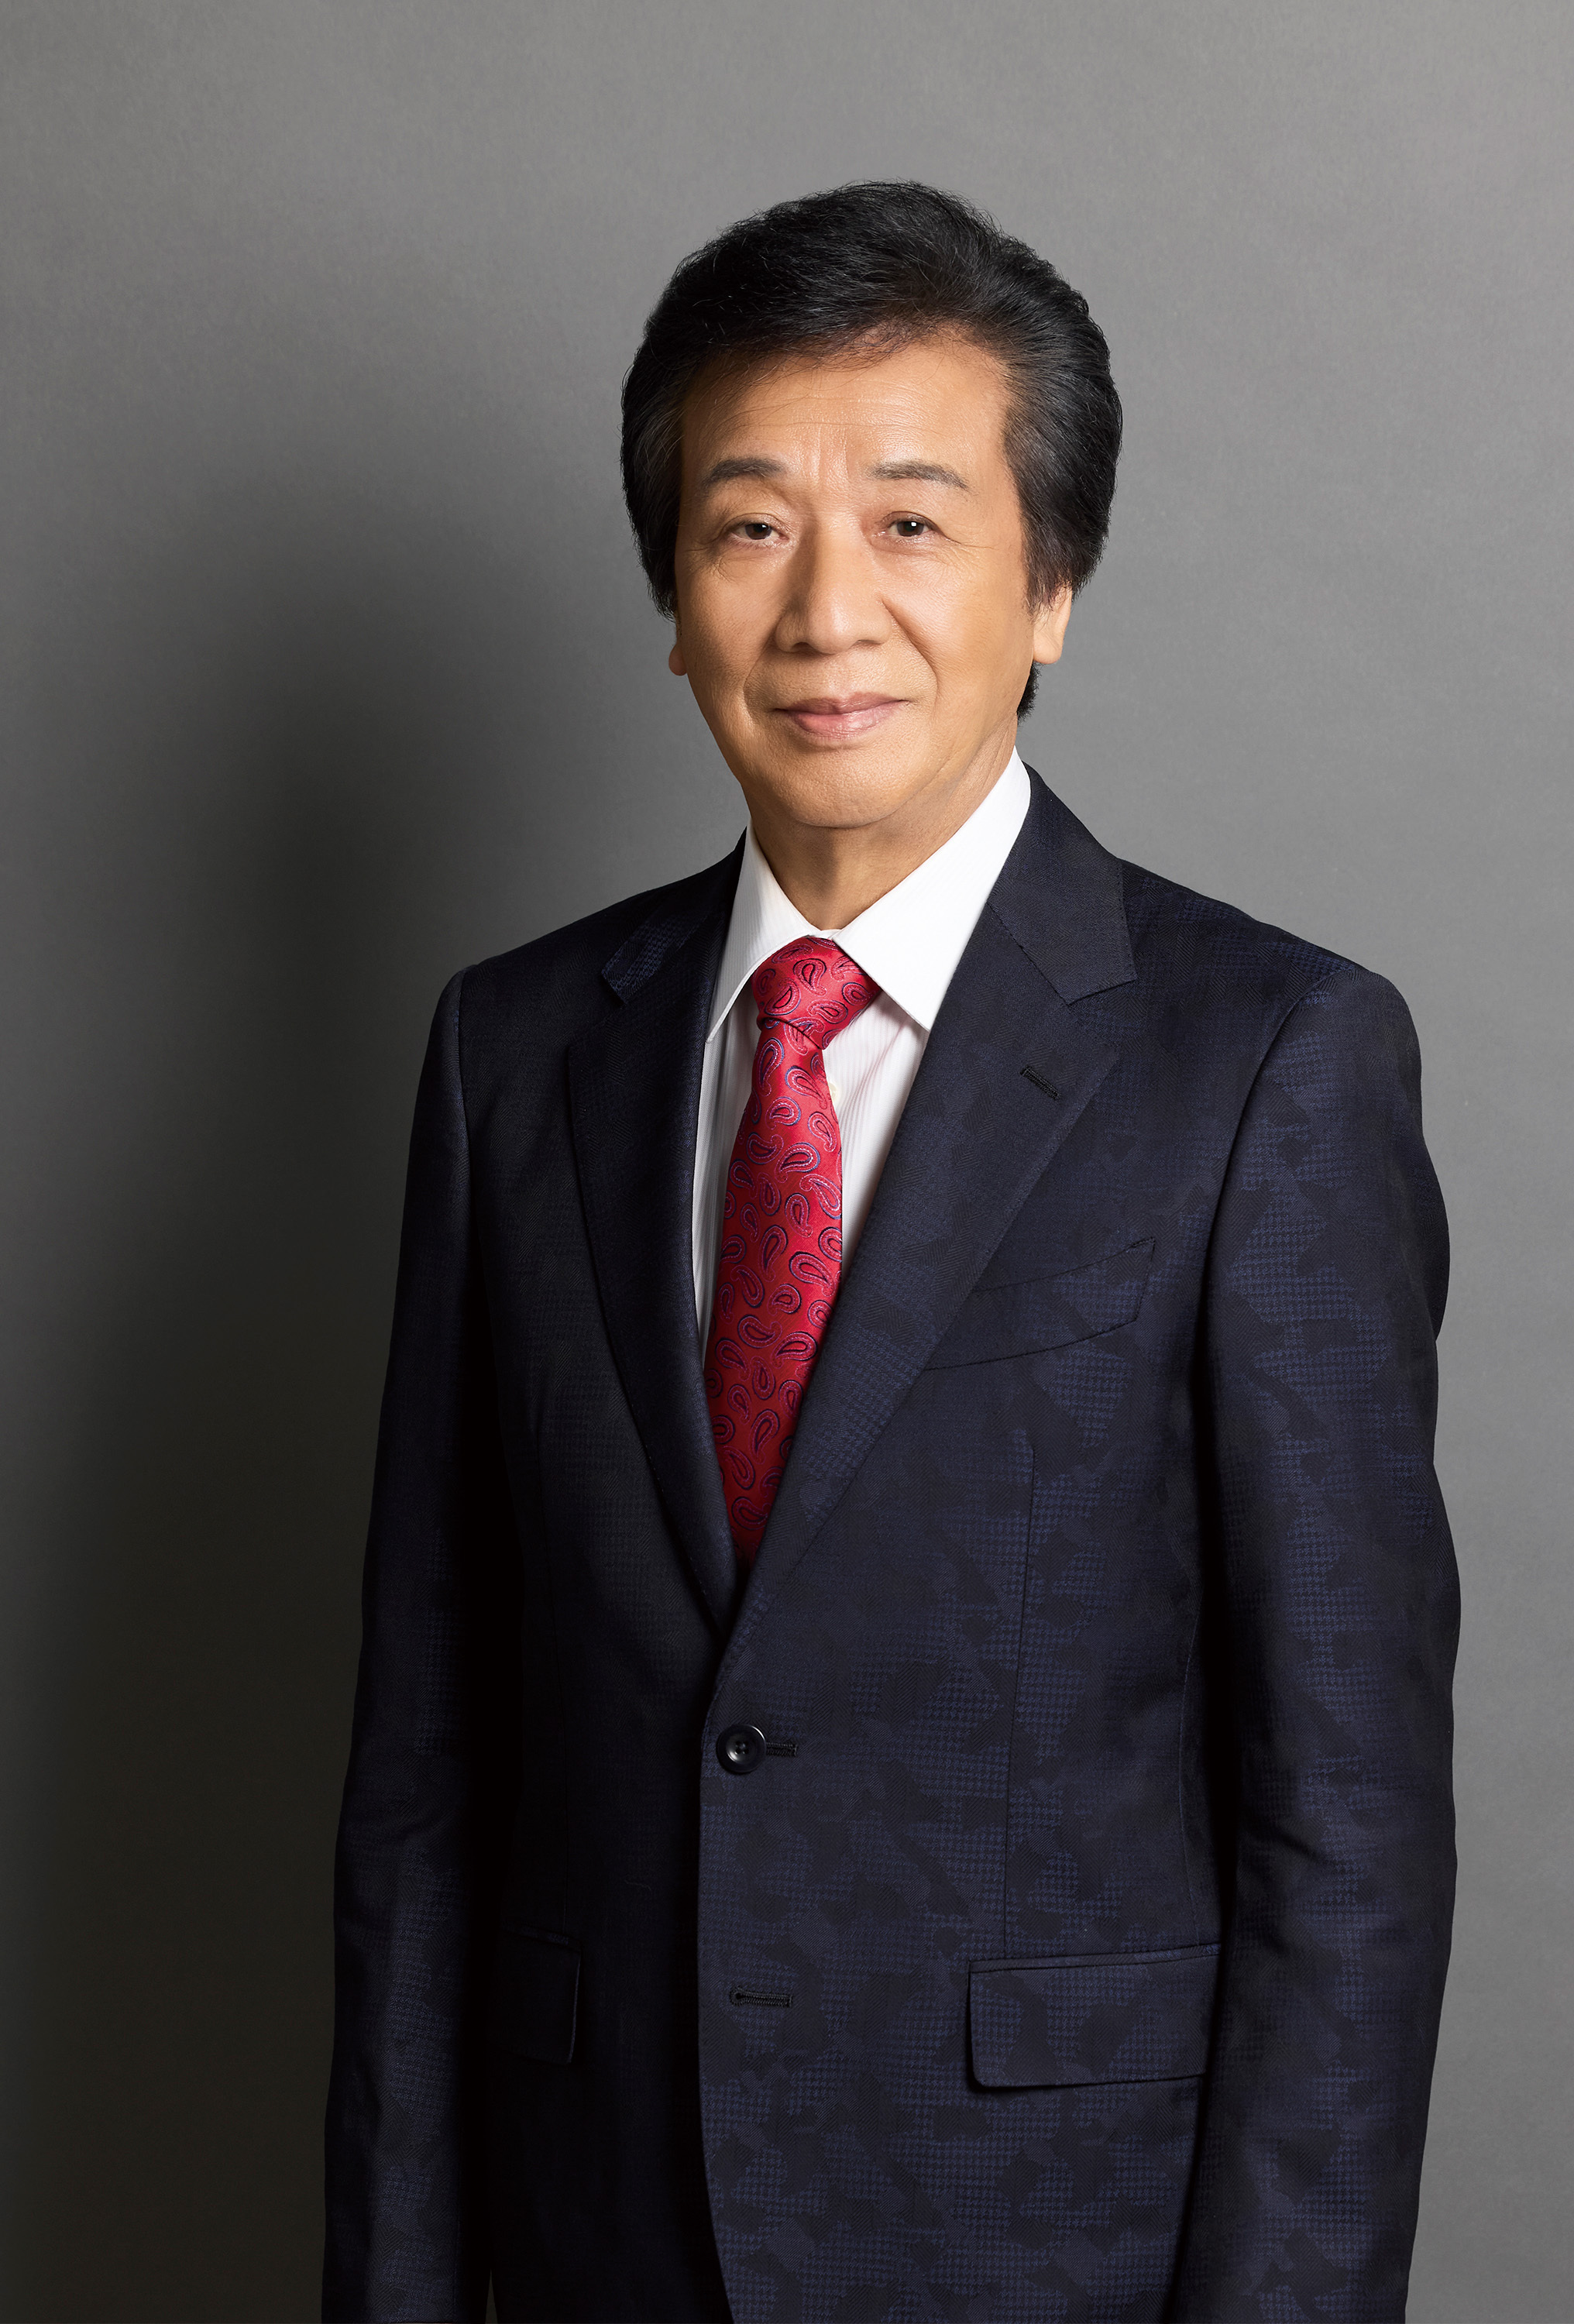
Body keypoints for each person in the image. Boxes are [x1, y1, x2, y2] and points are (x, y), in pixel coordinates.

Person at [322, 182, 1459, 2324]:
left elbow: (1348, 1826)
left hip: (1050, 2248)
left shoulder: (1266, 1060)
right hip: (589, 2238)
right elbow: (425, 1784)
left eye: (914, 523)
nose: (826, 608)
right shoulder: (514, 1052)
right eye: (751, 525)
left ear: (1053, 587)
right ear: (674, 599)